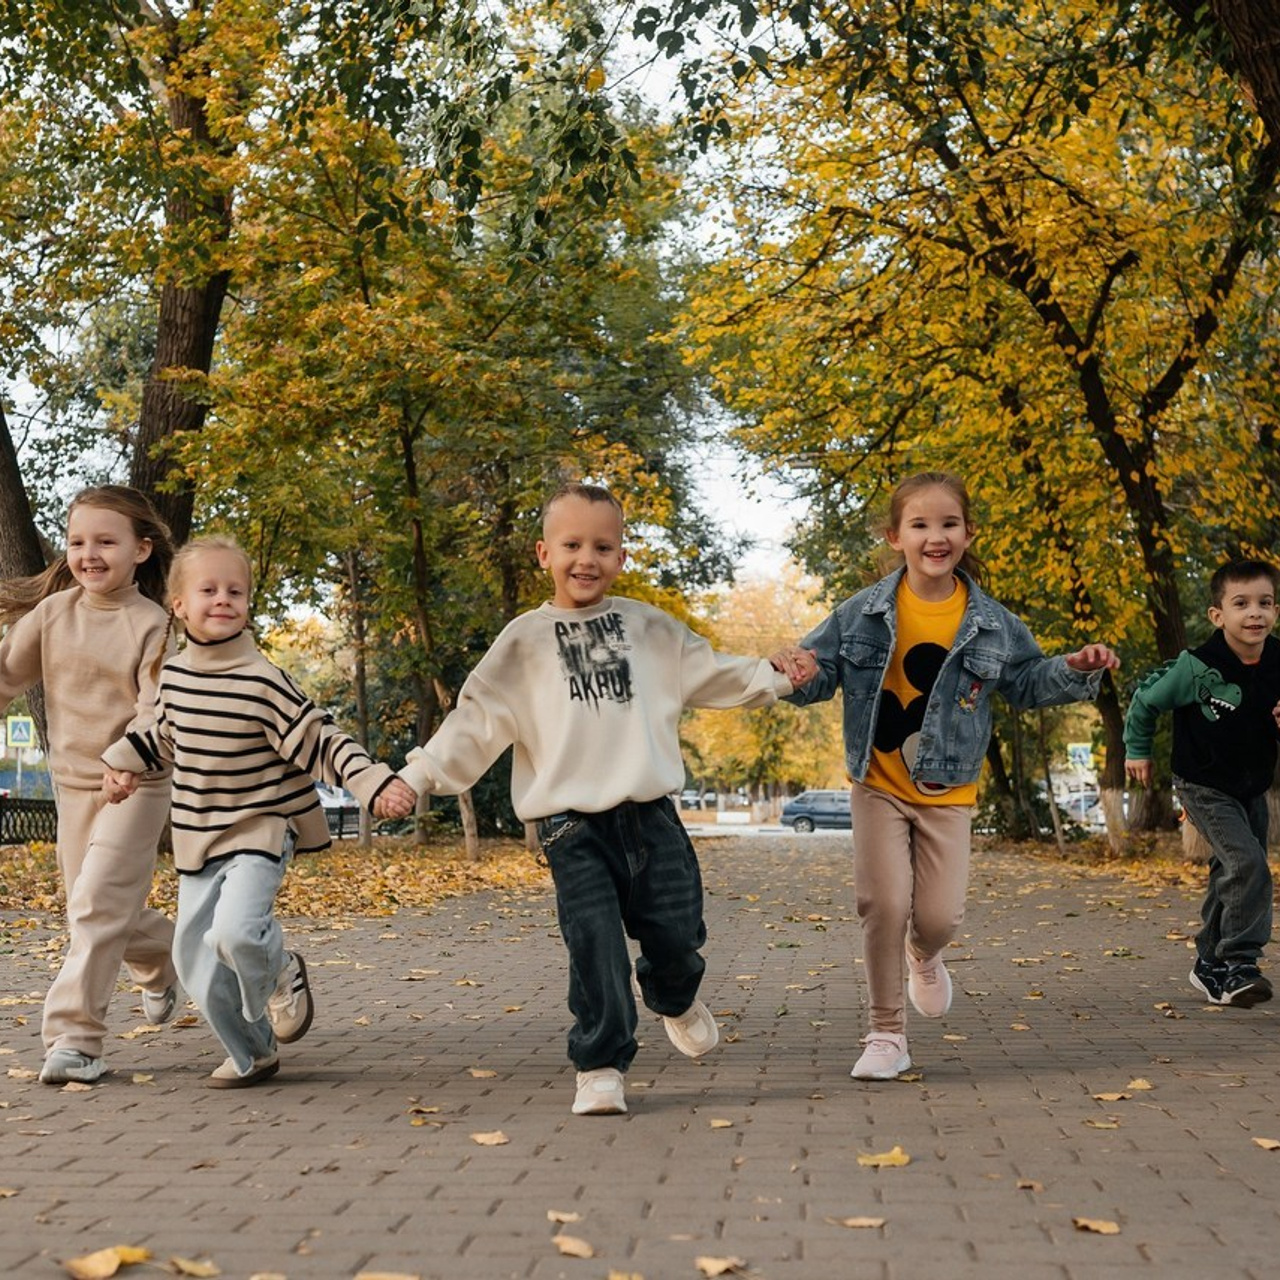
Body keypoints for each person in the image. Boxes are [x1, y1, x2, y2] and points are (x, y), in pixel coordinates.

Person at [377, 482, 815, 1116]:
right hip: (570, 827)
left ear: (621, 557)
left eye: (603, 546)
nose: (587, 558)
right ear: (543, 554)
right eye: (572, 545)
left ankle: (673, 996)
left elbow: (711, 669)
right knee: (594, 942)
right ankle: (601, 1062)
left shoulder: (649, 629)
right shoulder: (523, 643)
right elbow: (472, 722)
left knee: (675, 934)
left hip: (651, 819)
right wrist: (415, 777)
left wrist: (775, 674)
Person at [781, 471, 1119, 1081]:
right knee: (883, 903)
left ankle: (925, 954)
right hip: (877, 783)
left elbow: (1026, 683)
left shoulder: (993, 623)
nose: (935, 537)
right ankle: (886, 1034)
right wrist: (798, 669)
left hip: (948, 792)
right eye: (920, 525)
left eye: (948, 524)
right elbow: (818, 670)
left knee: (937, 918)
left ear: (967, 534)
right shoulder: (861, 612)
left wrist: (1072, 667)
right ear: (895, 536)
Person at [102, 537, 416, 1088]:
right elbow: (168, 737)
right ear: (179, 605)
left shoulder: (263, 679)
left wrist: (372, 781)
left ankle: (281, 969)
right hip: (199, 836)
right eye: (208, 590)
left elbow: (319, 739)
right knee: (193, 960)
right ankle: (255, 1052)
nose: (223, 600)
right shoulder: (174, 677)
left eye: (236, 591)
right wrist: (125, 762)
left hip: (259, 827)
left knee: (238, 934)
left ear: (248, 603)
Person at [0, 485, 180, 1085]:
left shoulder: (154, 624)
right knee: (95, 912)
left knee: (98, 905)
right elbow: (4, 673)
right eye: (78, 541)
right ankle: (187, 959)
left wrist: (128, 757)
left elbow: (159, 709)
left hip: (138, 783)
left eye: (106, 541)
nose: (89, 553)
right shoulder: (52, 615)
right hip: (71, 788)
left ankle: (75, 1040)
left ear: (142, 550)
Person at [1124, 558, 1280, 1008]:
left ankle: (1209, 963)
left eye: (1265, 603)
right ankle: (1240, 965)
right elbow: (1146, 701)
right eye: (1242, 604)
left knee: (1229, 871)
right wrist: (1137, 750)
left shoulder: (1278, 660)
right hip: (1202, 783)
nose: (1255, 613)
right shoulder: (1196, 667)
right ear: (1218, 615)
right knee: (1249, 864)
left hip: (1250, 784)